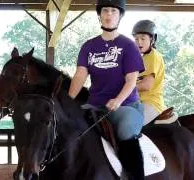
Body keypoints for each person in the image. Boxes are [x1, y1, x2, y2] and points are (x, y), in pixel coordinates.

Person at [68, 0, 145, 179]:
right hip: (95, 105)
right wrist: (68, 100)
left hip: (126, 106)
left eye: (113, 11)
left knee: (125, 130)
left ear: (119, 16)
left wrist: (117, 101)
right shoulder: (89, 46)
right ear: (99, 15)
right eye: (105, 11)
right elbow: (80, 75)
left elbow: (132, 79)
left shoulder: (128, 46)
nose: (109, 14)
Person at [132, 20, 166, 125]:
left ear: (152, 39)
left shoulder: (153, 56)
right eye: (136, 39)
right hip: (138, 102)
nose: (139, 42)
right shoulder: (141, 58)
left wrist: (122, 88)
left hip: (151, 103)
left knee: (130, 126)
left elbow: (146, 85)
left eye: (143, 38)